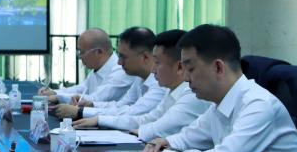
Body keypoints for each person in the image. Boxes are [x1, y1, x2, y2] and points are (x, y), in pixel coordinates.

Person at [140, 24, 297, 152]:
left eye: (190, 69)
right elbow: (189, 136)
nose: (185, 78)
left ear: (218, 67)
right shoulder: (219, 104)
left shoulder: (258, 105)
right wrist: (166, 143)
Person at [72, 29, 212, 141]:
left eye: (157, 62)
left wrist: (88, 115)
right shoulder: (170, 90)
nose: (153, 69)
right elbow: (147, 118)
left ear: (179, 67)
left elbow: (158, 128)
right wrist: (99, 119)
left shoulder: (191, 94)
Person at [57, 28, 164, 120]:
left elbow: (133, 112)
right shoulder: (139, 78)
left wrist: (81, 112)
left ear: (145, 57)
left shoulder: (161, 82)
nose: (119, 62)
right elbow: (120, 105)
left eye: (123, 57)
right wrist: (92, 105)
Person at [38, 28, 137, 107]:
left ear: (98, 52)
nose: (79, 57)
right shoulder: (98, 68)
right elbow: (82, 88)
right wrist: (54, 92)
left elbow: (97, 98)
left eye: (81, 52)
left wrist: (58, 97)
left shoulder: (121, 70)